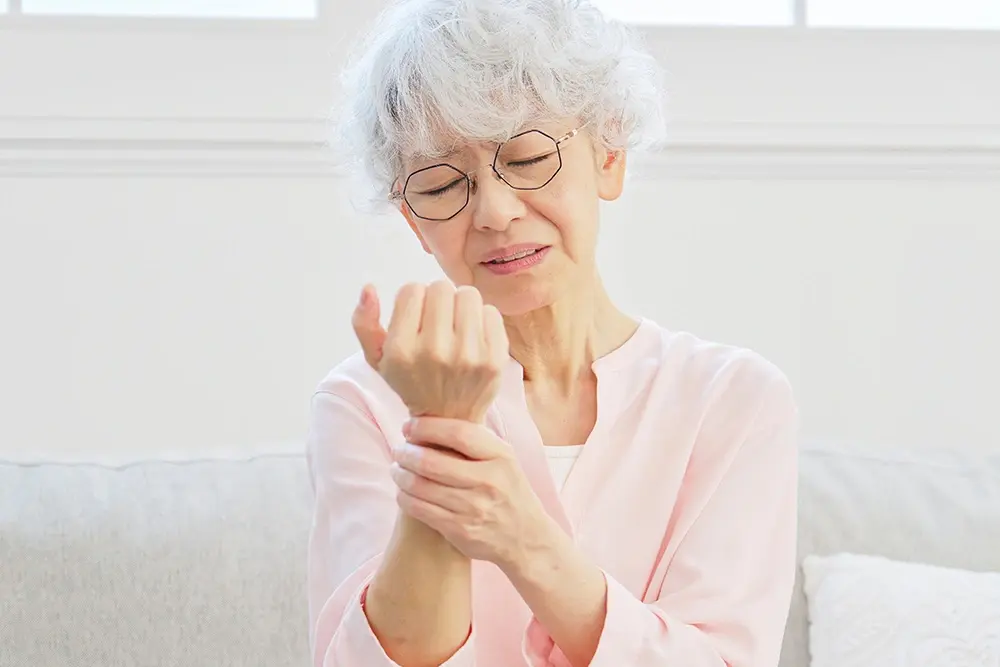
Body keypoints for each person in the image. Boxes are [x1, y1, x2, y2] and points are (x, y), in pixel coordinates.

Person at [306, 1, 799, 665]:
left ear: (609, 157)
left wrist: (522, 536)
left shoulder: (735, 402)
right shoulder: (363, 402)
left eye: (529, 156)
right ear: (414, 222)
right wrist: (441, 424)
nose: (496, 212)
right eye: (443, 182)